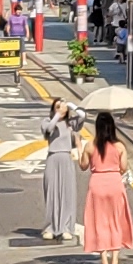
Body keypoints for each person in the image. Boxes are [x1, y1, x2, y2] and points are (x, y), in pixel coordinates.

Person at [81, 109, 133, 264]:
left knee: (100, 223)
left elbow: (83, 165)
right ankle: (115, 262)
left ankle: (104, 261)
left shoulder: (91, 145)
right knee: (115, 222)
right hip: (114, 183)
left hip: (97, 183)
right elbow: (123, 167)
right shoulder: (119, 146)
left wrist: (79, 148)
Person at [39, 102, 83, 243]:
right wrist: (58, 114)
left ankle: (66, 228)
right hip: (53, 158)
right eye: (57, 106)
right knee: (52, 192)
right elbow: (49, 129)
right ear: (53, 109)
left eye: (63, 106)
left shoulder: (70, 124)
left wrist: (71, 105)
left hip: (66, 158)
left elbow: (82, 115)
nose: (61, 108)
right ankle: (51, 227)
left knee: (67, 193)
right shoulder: (47, 121)